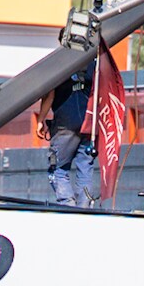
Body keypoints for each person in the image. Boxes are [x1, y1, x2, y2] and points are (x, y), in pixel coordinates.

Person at [35, 45, 98, 207]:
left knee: (58, 168)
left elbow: (50, 95)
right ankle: (84, 207)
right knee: (85, 167)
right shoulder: (93, 63)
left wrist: (40, 120)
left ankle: (68, 206)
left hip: (65, 123)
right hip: (89, 122)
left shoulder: (59, 63)